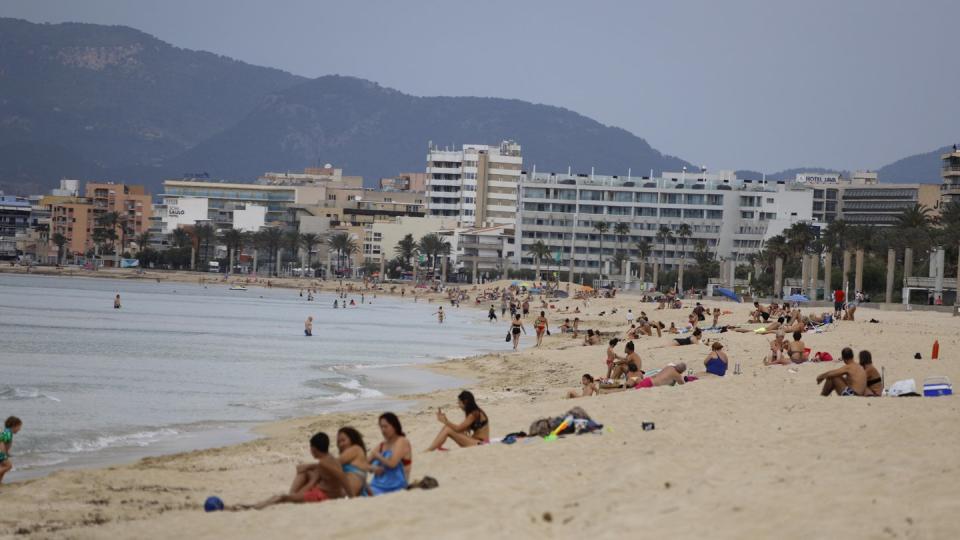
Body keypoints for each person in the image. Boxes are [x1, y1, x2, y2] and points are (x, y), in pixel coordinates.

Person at [249, 432, 348, 509]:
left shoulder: (323, 464)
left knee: (282, 497)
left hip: (322, 496)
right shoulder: (330, 459)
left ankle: (255, 507)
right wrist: (309, 467)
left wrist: (296, 496)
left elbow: (311, 483)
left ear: (313, 449)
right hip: (331, 493)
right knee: (305, 472)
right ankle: (291, 496)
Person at [368, 413, 412, 495]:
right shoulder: (382, 445)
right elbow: (362, 464)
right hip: (377, 485)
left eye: (386, 426)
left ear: (394, 426)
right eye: (381, 427)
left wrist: (377, 456)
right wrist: (372, 467)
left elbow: (392, 463)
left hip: (396, 487)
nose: (383, 430)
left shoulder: (402, 441)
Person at [336, 427, 370, 497]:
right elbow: (363, 481)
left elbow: (333, 463)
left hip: (346, 493)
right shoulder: (357, 454)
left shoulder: (355, 449)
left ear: (352, 439)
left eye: (343, 440)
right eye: (339, 442)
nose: (341, 444)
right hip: (350, 492)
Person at [0, 416, 23, 484]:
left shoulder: (8, 432)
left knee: (3, 467)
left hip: (2, 453)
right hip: (1, 453)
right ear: (14, 426)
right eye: (19, 427)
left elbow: (6, 444)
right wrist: (4, 453)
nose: (19, 429)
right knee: (8, 466)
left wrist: (7, 453)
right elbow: (1, 441)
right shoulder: (8, 433)